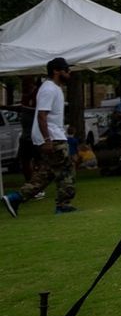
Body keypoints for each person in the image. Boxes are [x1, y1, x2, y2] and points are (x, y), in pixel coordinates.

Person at [23, 57, 77, 213]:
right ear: (56, 71)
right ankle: (63, 204)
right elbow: (42, 115)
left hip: (55, 135)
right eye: (66, 70)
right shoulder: (49, 89)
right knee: (63, 171)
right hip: (52, 136)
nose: (69, 72)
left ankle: (17, 197)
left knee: (51, 172)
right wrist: (47, 139)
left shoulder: (54, 88)